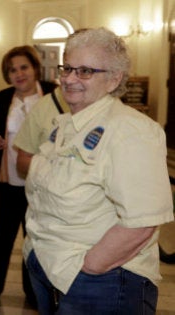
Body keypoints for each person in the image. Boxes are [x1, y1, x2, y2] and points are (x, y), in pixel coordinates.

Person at [23, 27, 174, 314]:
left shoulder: (130, 130)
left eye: (85, 71)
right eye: (67, 68)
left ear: (114, 78)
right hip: (52, 268)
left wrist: (88, 267)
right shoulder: (64, 125)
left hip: (101, 281)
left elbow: (142, 221)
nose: (69, 79)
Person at [0, 45, 56, 307]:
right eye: (12, 70)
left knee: (35, 237)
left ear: (35, 68)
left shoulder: (54, 96)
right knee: (2, 235)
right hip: (7, 180)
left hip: (43, 182)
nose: (19, 74)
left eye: (24, 67)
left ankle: (34, 292)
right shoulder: (1, 99)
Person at [14, 86, 69, 177]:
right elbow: (22, 163)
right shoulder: (44, 106)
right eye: (67, 71)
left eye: (85, 71)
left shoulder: (100, 110)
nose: (72, 78)